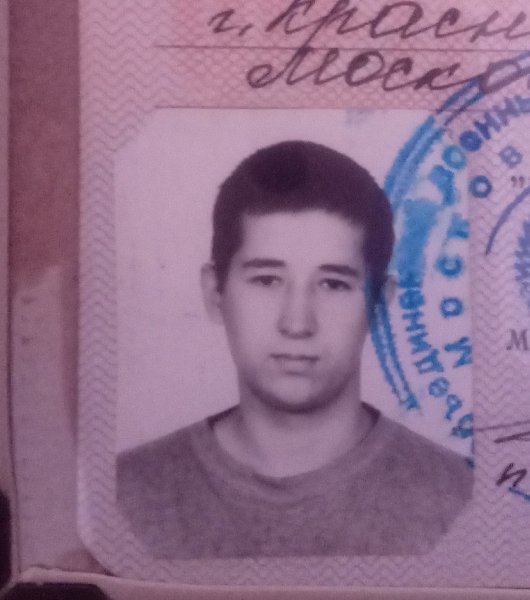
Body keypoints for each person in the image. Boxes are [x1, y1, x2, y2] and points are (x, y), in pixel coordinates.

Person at [117, 140, 473, 560]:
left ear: (379, 306)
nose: (297, 323)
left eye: (333, 284)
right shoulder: (122, 497)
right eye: (267, 280)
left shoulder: (462, 502)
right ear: (215, 293)